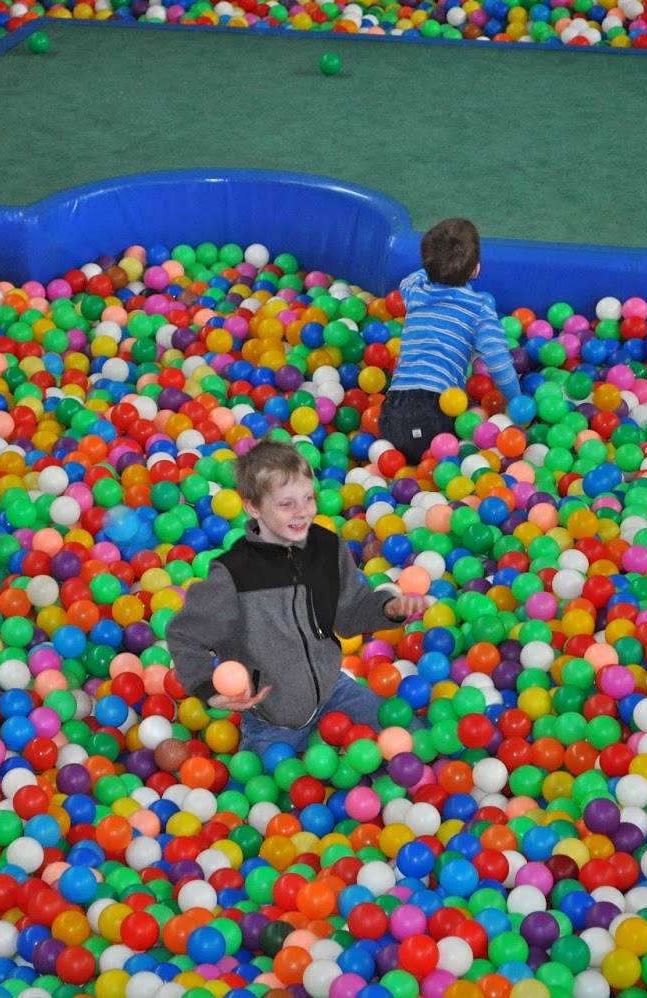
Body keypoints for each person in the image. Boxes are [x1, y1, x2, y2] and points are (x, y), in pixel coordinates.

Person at [165, 440, 431, 756]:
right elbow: (184, 634)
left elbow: (348, 613)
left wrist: (388, 608)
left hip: (334, 691)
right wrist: (209, 690)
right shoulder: (234, 573)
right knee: (275, 796)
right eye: (286, 504)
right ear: (253, 508)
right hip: (272, 717)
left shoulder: (327, 548)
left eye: (308, 498)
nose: (303, 511)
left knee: (414, 740)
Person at [378, 217, 521, 463]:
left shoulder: (416, 291)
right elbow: (499, 364)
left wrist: (436, 266)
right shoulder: (478, 310)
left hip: (390, 417)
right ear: (476, 268)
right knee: (478, 416)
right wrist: (517, 402)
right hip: (437, 416)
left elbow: (408, 280)